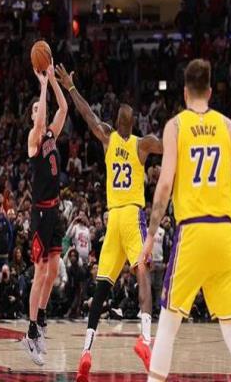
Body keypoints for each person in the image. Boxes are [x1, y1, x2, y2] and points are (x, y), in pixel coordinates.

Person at [140, 59, 231, 382]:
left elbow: (165, 185)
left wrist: (150, 237)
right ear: (210, 92)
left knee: (168, 326)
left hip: (193, 231)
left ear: (185, 93)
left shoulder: (175, 126)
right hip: (225, 234)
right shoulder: (227, 126)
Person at [54, 63, 163, 379]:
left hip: (112, 218)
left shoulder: (107, 137)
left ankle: (85, 351)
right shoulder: (142, 144)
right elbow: (168, 145)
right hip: (131, 215)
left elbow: (87, 114)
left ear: (116, 122)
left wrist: (71, 87)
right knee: (143, 273)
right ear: (135, 122)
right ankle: (145, 340)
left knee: (101, 287)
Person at [21, 63, 67, 366]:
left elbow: (63, 108)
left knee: (53, 272)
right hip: (39, 214)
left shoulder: (51, 134)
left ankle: (41, 319)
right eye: (36, 110)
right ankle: (30, 332)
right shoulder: (33, 138)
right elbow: (40, 123)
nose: (41, 112)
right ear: (32, 116)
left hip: (55, 211)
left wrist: (53, 80)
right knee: (39, 273)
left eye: (41, 108)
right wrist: (41, 86)